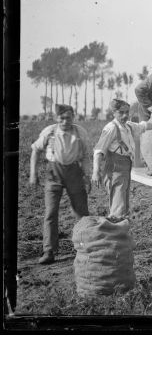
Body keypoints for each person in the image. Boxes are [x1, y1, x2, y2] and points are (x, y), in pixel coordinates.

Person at [29, 104, 91, 265]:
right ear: (56, 118)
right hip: (53, 173)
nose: (65, 121)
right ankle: (49, 251)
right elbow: (35, 150)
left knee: (81, 212)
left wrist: (87, 176)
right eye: (61, 118)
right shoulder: (49, 132)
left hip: (74, 173)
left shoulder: (79, 133)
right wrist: (33, 174)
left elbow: (85, 156)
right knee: (51, 212)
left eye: (68, 117)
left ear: (73, 117)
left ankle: (84, 248)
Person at [91, 99, 152, 219]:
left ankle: (120, 231)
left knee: (123, 205)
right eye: (121, 112)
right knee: (118, 208)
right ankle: (116, 231)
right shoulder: (111, 128)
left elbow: (145, 126)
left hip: (126, 167)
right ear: (114, 113)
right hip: (115, 168)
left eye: (127, 112)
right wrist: (95, 172)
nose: (124, 115)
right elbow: (99, 151)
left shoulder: (128, 126)